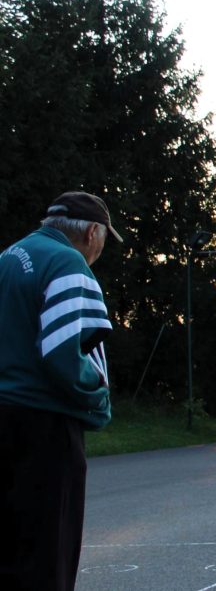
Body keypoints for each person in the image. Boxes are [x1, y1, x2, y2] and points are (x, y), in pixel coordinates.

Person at [0, 191, 121, 591]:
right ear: (91, 232)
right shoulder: (66, 262)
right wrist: (97, 397)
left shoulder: (8, 256)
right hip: (42, 425)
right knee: (48, 553)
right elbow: (62, 351)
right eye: (104, 239)